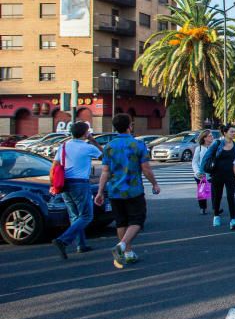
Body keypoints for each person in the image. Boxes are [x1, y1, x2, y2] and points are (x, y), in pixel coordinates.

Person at [95, 113, 160, 269]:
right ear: (129, 126)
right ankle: (123, 245)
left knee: (121, 221)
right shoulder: (138, 145)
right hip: (133, 189)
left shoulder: (109, 146)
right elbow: (146, 168)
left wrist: (100, 191)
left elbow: (105, 171)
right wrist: (154, 184)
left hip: (115, 190)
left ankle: (128, 253)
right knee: (137, 220)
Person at [51, 121, 103, 259]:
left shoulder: (63, 146)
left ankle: (81, 245)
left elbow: (55, 165)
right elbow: (104, 156)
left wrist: (53, 184)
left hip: (64, 184)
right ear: (85, 133)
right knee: (86, 216)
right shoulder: (87, 147)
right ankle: (63, 240)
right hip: (80, 183)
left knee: (74, 215)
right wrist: (93, 140)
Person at [201, 125, 235, 230]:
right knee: (217, 196)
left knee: (230, 196)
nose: (234, 133)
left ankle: (233, 219)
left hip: (231, 175)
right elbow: (206, 157)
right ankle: (216, 216)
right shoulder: (217, 144)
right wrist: (202, 171)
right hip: (217, 175)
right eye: (232, 131)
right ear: (225, 133)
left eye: (234, 131)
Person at [191, 130, 213, 215]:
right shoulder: (199, 148)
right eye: (210, 136)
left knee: (215, 191)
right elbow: (195, 162)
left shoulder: (213, 147)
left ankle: (216, 207)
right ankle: (203, 208)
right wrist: (197, 172)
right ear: (204, 138)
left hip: (212, 174)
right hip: (201, 174)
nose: (212, 137)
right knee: (203, 192)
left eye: (211, 136)